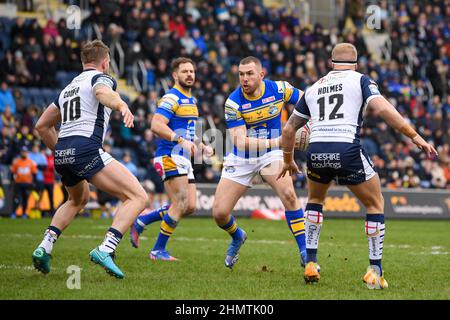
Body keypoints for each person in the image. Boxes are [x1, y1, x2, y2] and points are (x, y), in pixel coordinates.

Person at [278, 43, 438, 289]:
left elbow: (289, 129)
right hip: (346, 149)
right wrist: (414, 136)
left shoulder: (313, 88)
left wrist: (288, 160)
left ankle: (311, 261)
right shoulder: (361, 80)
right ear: (356, 64)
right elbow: (382, 108)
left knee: (315, 200)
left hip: (316, 151)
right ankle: (375, 271)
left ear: (331, 64)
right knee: (375, 203)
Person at [31, 39, 147, 279]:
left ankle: (45, 246)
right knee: (138, 196)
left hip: (63, 151)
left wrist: (62, 151)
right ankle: (106, 248)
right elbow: (103, 93)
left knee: (78, 199)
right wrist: (121, 104)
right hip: (86, 148)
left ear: (84, 62)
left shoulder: (68, 88)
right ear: (105, 63)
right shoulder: (101, 78)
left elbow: (42, 126)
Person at [212, 56, 307, 269]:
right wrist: (280, 140)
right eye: (241, 74)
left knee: (289, 195)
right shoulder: (233, 102)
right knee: (219, 214)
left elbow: (307, 101)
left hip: (271, 154)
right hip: (242, 157)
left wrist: (308, 125)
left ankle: (305, 252)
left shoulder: (280, 89)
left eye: (249, 74)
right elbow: (239, 141)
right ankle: (237, 236)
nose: (244, 79)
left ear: (261, 74)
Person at [129, 57, 213, 260]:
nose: (190, 75)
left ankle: (142, 221)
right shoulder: (171, 98)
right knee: (181, 202)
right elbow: (156, 125)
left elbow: (188, 132)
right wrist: (180, 140)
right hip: (168, 155)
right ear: (175, 75)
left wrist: (201, 146)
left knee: (190, 206)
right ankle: (158, 250)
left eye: (192, 71)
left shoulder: (192, 101)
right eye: (185, 71)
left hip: (184, 158)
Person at [10, 146, 37, 218]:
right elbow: (12, 173)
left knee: (25, 199)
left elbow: (34, 174)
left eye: (25, 152)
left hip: (27, 184)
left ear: (27, 153)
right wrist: (11, 182)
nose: (24, 153)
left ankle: (24, 213)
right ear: (21, 153)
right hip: (18, 183)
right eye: (23, 152)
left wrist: (34, 183)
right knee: (16, 199)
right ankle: (13, 213)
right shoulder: (17, 162)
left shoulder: (31, 162)